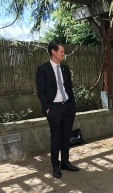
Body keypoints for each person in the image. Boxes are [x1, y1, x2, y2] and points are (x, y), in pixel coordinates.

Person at [36, 42, 79, 178]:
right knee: (56, 138)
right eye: (61, 51)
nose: (63, 53)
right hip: (54, 108)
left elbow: (69, 88)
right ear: (53, 52)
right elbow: (41, 91)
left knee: (66, 137)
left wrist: (72, 104)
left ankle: (65, 163)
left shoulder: (65, 69)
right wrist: (47, 108)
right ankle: (56, 166)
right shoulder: (43, 69)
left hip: (67, 107)